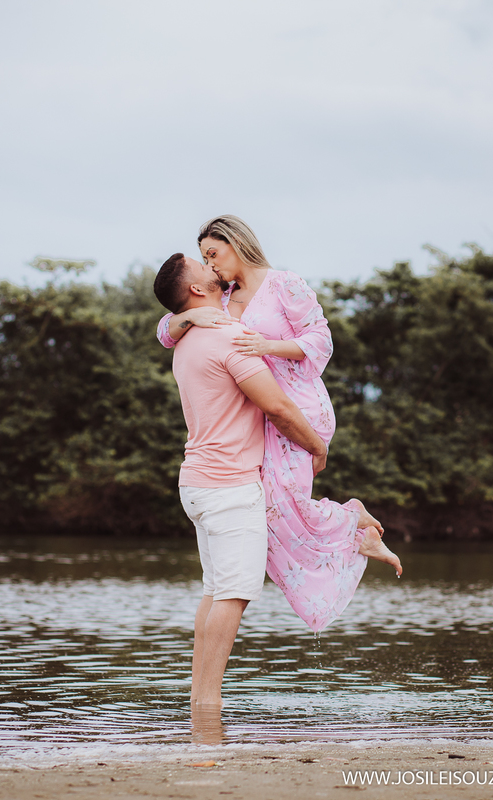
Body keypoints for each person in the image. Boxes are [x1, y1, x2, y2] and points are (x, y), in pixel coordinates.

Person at [157, 215, 399, 633]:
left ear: (236, 244)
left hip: (298, 407)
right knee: (273, 509)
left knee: (284, 501)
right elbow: (166, 330)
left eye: (213, 254)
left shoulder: (283, 283)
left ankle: (353, 520)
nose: (210, 265)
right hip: (266, 413)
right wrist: (191, 319)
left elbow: (321, 339)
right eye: (204, 259)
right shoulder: (222, 297)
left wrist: (269, 345)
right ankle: (353, 523)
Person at [153, 252, 328, 708]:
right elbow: (279, 408)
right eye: (202, 264)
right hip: (228, 486)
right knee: (233, 594)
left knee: (215, 590)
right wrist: (317, 446)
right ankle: (206, 703)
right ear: (194, 290)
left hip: (197, 482)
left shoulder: (189, 338)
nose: (211, 267)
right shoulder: (228, 337)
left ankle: (200, 698)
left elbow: (167, 327)